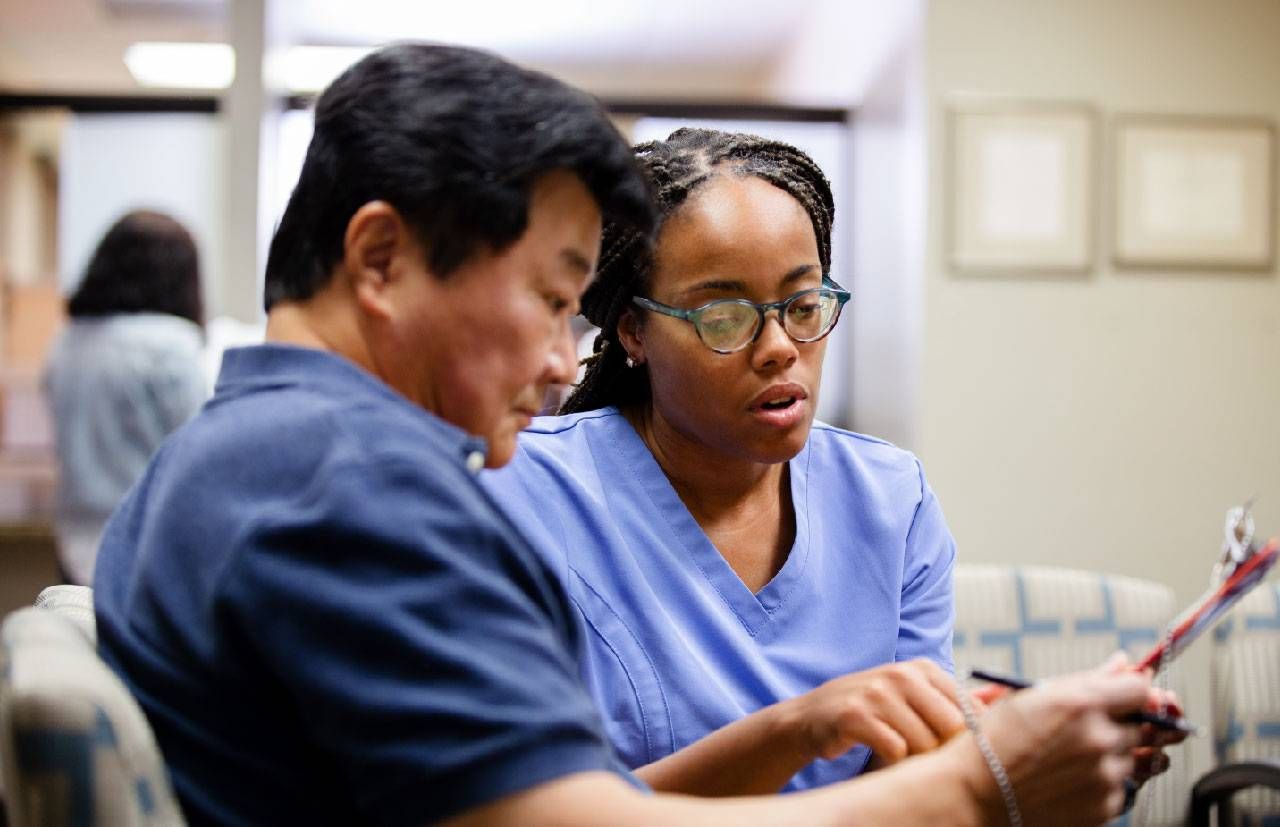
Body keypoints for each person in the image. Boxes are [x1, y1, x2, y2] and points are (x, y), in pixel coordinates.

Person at [95, 42, 1159, 827]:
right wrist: (988, 781)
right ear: (379, 259)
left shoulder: (236, 453)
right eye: (551, 297)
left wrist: (822, 733)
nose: (566, 362)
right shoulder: (344, 483)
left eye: (800, 303)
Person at [43, 209, 207, 586]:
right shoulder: (172, 347)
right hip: (145, 558)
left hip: (73, 550)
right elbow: (198, 456)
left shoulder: (65, 344)